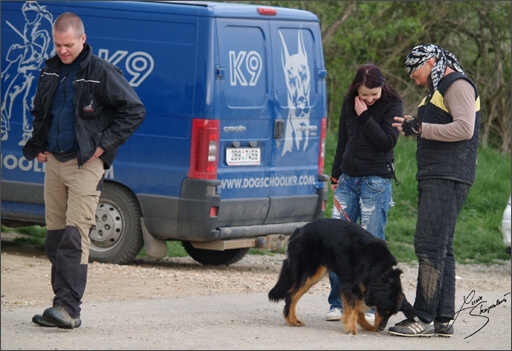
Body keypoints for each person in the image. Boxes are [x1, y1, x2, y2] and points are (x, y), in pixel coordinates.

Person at [22, 12, 146, 329]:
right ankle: (60, 304)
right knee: (54, 239)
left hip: (85, 165)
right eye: (58, 44)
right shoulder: (50, 71)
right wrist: (40, 143)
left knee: (75, 237)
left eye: (68, 45)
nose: (62, 51)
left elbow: (134, 110)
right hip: (54, 163)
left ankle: (68, 308)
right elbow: (40, 111)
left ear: (82, 39)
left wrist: (103, 146)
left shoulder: (101, 72)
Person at [388, 44, 480, 337]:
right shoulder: (439, 87)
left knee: (428, 244)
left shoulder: (458, 84)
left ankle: (422, 317)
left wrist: (422, 129)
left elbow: (464, 128)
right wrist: (415, 127)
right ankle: (442, 319)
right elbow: (435, 126)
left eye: (415, 72)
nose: (414, 79)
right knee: (442, 246)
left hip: (448, 175)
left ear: (430, 62)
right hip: (440, 173)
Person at [326, 64, 403, 321]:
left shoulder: (393, 104)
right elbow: (343, 140)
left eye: (374, 94)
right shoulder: (350, 101)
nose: (369, 99)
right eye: (365, 94)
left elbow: (387, 142)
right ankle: (338, 303)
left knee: (371, 245)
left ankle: (369, 306)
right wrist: (335, 175)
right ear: (355, 88)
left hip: (376, 181)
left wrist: (365, 116)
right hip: (347, 179)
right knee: (337, 243)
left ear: (383, 87)